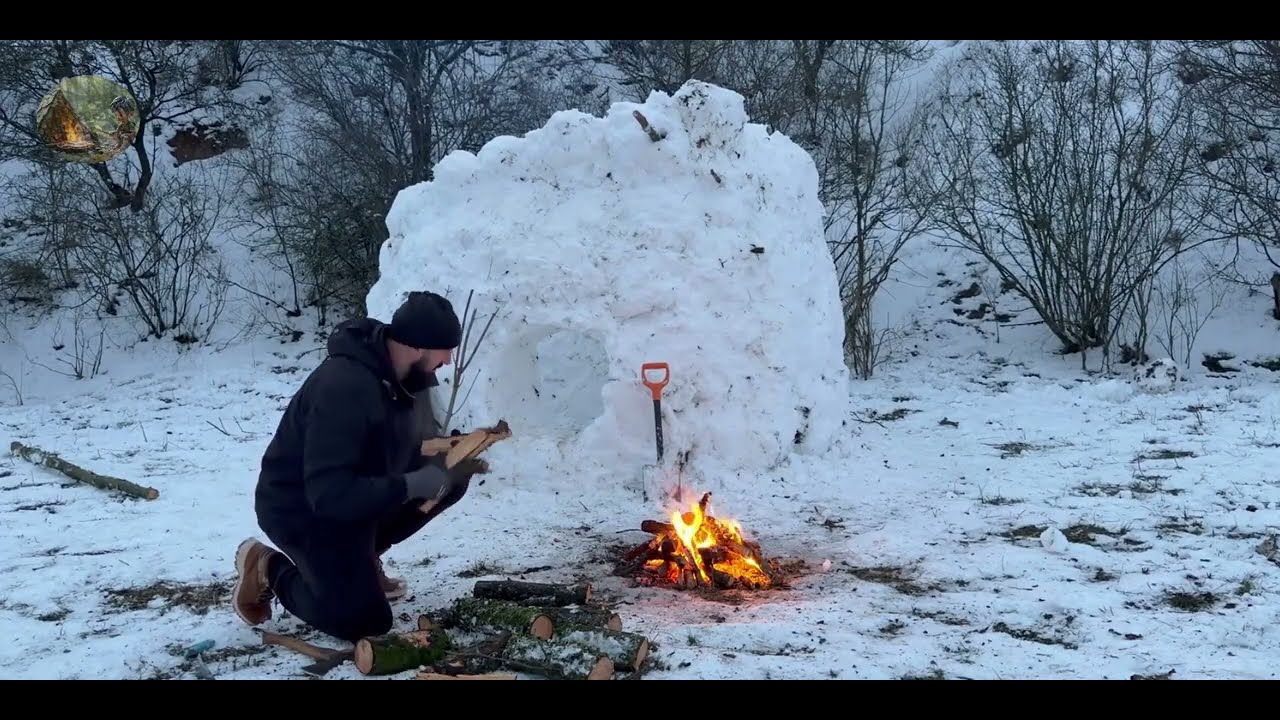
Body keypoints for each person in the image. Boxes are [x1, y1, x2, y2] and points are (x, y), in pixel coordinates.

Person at [231, 290, 487, 643]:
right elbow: (329, 493)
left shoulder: (406, 380)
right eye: (444, 348)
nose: (448, 359)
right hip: (304, 511)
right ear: (418, 345)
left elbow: (405, 450)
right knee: (365, 621)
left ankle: (361, 563)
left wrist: (449, 458)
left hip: (352, 506)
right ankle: (267, 567)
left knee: (451, 481)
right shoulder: (344, 388)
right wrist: (411, 484)